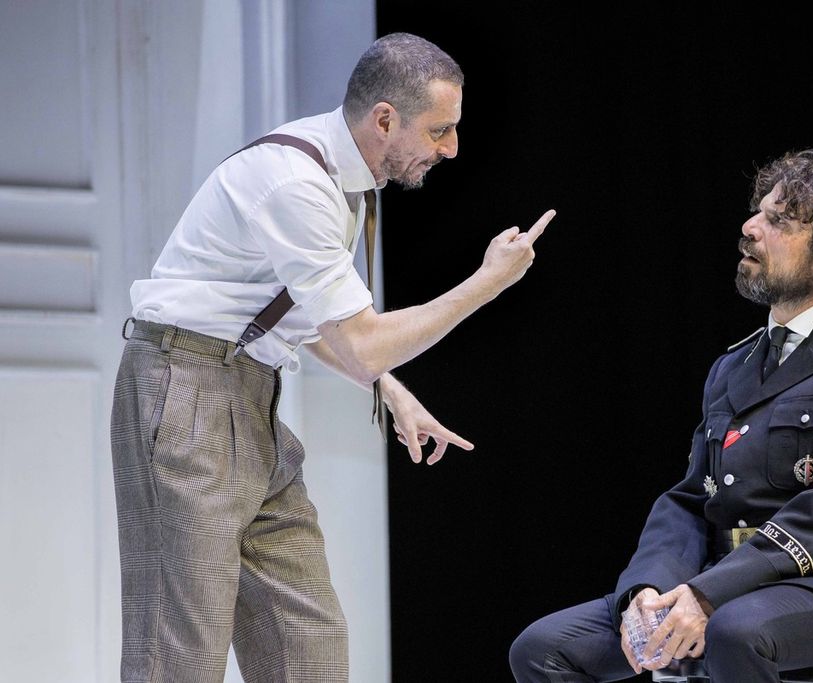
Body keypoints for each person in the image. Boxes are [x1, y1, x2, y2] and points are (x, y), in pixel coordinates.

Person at [111, 32, 554, 683]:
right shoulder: (298, 182)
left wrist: (391, 389)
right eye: (439, 130)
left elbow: (313, 319)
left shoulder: (340, 181)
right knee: (179, 651)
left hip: (246, 395)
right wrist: (487, 283)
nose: (452, 148)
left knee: (306, 637)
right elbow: (359, 340)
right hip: (188, 392)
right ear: (384, 119)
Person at [509, 149, 813, 682]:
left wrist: (709, 593)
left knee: (734, 631)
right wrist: (647, 588)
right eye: (757, 212)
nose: (749, 227)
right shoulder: (733, 366)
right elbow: (693, 498)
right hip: (718, 586)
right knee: (544, 648)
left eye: (777, 221)